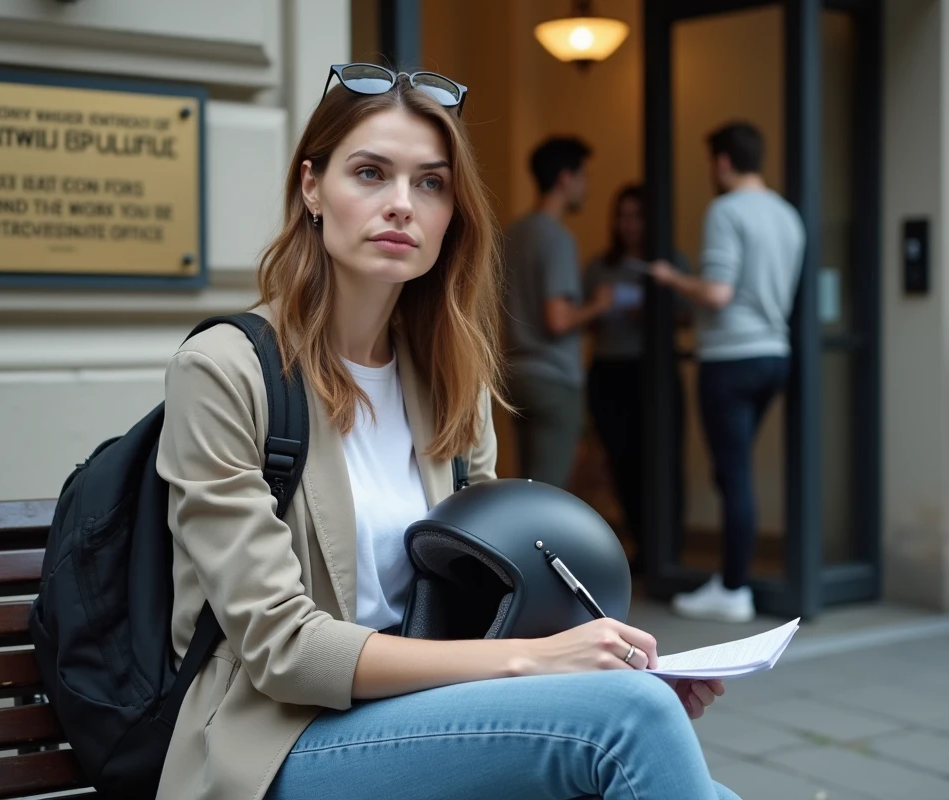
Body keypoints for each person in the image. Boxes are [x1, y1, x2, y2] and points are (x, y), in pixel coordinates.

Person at [154, 63, 741, 800]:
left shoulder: (449, 382)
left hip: (420, 714)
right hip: (274, 741)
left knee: (654, 737)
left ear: (452, 213)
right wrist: (537, 669)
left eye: (430, 183)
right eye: (370, 172)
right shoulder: (225, 372)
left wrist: (599, 675)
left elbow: (497, 596)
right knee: (633, 727)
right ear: (312, 187)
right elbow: (286, 651)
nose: (401, 204)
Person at [649, 121, 804, 624]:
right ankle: (730, 579)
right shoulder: (787, 215)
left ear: (721, 162)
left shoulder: (726, 210)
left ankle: (734, 587)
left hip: (731, 358)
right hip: (774, 355)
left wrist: (671, 278)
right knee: (731, 471)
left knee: (733, 474)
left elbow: (718, 292)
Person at [583, 183, 690, 575]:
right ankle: (643, 547)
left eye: (636, 216)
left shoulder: (668, 263)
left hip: (655, 373)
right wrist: (600, 309)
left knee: (662, 460)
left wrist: (652, 314)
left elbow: (689, 315)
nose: (628, 225)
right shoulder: (600, 266)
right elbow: (580, 319)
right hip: (610, 372)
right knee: (622, 462)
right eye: (622, 216)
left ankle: (668, 550)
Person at [503, 136, 614, 490]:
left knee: (528, 485)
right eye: (585, 177)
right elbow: (558, 319)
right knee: (548, 492)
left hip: (514, 374)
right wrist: (599, 305)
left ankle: (519, 547)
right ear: (566, 178)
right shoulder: (556, 238)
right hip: (553, 379)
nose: (587, 187)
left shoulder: (512, 234)